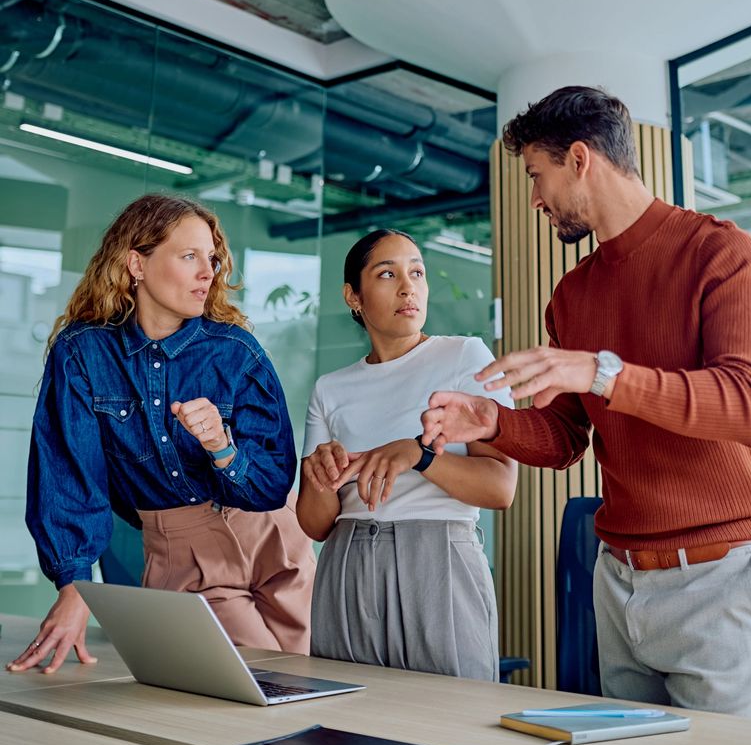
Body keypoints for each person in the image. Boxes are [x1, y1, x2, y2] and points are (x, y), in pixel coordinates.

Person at [422, 85, 751, 719]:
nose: (534, 199)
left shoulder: (722, 254)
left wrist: (602, 372)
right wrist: (492, 423)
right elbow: (566, 437)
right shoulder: (572, 295)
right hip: (620, 580)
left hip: (726, 576)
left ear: (579, 159)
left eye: (536, 176)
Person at [8, 193, 315, 676]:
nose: (207, 272)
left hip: (272, 534)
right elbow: (68, 473)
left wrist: (222, 447)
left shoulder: (236, 350)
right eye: (189, 256)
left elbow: (273, 482)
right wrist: (74, 584)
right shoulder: (83, 353)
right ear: (137, 263)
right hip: (181, 547)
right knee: (242, 686)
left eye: (211, 259)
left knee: (308, 680)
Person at [296, 229, 517, 680]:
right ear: (353, 296)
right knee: (347, 709)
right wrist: (321, 476)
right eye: (387, 274)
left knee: (452, 711)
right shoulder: (330, 388)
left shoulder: (465, 356)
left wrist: (419, 455)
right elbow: (315, 524)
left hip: (438, 559)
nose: (407, 287)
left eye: (417, 272)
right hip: (347, 561)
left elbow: (500, 488)